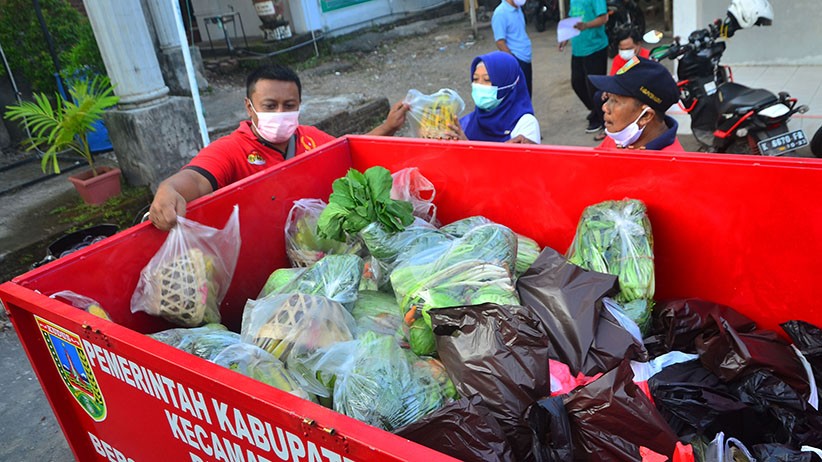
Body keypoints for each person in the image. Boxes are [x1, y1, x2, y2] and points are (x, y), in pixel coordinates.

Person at [149, 64, 409, 231]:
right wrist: (168, 189)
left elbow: (348, 149)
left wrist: (388, 127)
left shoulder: (309, 137)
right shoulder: (231, 149)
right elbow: (196, 178)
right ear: (249, 107)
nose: (281, 112)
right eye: (270, 106)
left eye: (289, 105)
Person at [589, 56, 683, 151]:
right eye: (609, 97)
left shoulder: (670, 163)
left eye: (615, 101)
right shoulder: (620, 136)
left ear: (646, 116)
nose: (605, 107)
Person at [447, 51, 540, 144]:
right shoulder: (468, 122)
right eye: (475, 79)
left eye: (487, 80)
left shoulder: (525, 124)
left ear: (507, 83)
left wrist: (468, 147)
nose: (479, 85)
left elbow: (524, 158)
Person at [558, 0, 609, 134]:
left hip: (595, 47)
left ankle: (602, 119)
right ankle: (596, 111)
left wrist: (586, 25)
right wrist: (565, 37)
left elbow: (603, 18)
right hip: (578, 48)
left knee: (595, 87)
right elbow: (572, 20)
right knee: (577, 83)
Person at [592, 28, 651, 140]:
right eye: (621, 49)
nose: (625, 52)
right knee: (598, 96)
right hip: (621, 91)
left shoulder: (649, 58)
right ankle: (608, 127)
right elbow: (614, 78)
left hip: (641, 93)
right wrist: (609, 90)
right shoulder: (619, 59)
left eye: (628, 48)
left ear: (638, 44)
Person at [491, 0, 533, 98]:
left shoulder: (518, 9)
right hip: (517, 60)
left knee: (527, 95)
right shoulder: (500, 13)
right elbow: (500, 42)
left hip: (525, 58)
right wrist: (513, 61)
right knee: (520, 98)